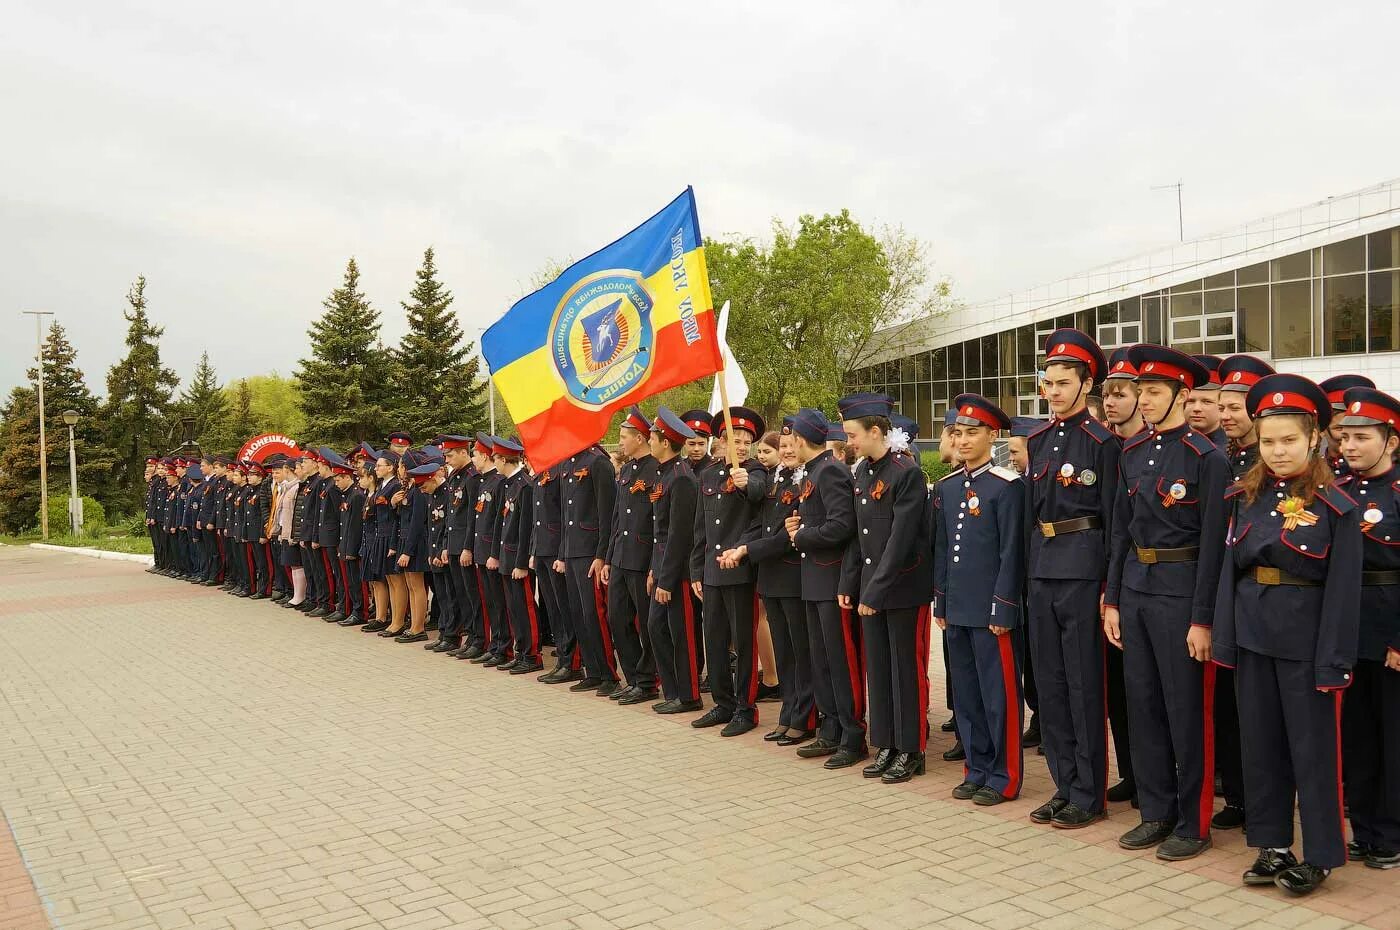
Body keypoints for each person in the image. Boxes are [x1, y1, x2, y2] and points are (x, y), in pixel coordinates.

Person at [1213, 374, 1360, 894]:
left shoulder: (1336, 506)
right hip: (1253, 636)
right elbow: (1230, 572)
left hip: (1307, 644)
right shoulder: (1243, 497)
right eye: (1269, 440)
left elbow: (1343, 593)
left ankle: (1320, 854)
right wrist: (1226, 638)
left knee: (1313, 751)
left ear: (1315, 437)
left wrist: (1334, 660)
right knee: (1260, 745)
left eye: (1289, 441)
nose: (1277, 451)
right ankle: (1272, 845)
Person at [1104, 345, 1229, 861]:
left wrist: (1203, 619)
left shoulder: (1208, 458)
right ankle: (1154, 811)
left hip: (1182, 592)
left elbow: (1215, 547)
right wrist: (1112, 600)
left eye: (1154, 391)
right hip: (1136, 588)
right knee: (1144, 704)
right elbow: (1120, 534)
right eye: (1142, 391)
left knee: (1186, 710)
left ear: (1181, 393)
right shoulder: (1131, 453)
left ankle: (1192, 821)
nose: (1145, 400)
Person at [1024, 330, 1118, 828]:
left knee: (1084, 686)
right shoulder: (1038, 441)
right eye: (1048, 383)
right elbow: (1030, 515)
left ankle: (1089, 792)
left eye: (1063, 383)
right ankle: (1064, 785)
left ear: (1087, 385)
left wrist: (1106, 588)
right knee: (1051, 684)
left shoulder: (1102, 443)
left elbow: (1112, 521)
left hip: (1083, 569)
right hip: (1042, 568)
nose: (1054, 392)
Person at [934, 394, 1025, 804]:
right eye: (958, 433)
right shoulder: (949, 487)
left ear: (993, 435)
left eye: (973, 433)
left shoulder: (1006, 487)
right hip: (958, 608)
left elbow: (1011, 552)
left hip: (991, 609)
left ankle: (1003, 776)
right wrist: (941, 602)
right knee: (966, 694)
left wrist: (1003, 605)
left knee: (998, 695)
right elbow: (942, 550)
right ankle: (977, 766)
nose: (964, 440)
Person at [839, 393, 934, 784]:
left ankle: (911, 750)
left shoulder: (905, 472)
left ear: (875, 431)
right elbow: (858, 537)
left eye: (853, 435)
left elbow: (900, 540)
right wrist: (850, 583)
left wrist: (874, 591)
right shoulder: (862, 471)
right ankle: (886, 744)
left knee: (904, 671)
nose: (849, 442)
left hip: (901, 588)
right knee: (878, 670)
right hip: (870, 589)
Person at [1335, 385, 1400, 871]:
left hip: (1388, 630)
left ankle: (1391, 833)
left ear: (1391, 441)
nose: (1350, 447)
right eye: (1345, 437)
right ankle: (1363, 827)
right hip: (1345, 629)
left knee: (1392, 736)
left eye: (1362, 437)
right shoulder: (1335, 492)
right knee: (1354, 736)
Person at [1211, 353, 1275, 832]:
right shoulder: (1221, 456)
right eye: (1224, 406)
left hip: (1265, 602)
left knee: (1260, 713)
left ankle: (1264, 799)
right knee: (1227, 705)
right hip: (1221, 593)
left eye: (1237, 407)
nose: (1228, 414)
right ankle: (1237, 794)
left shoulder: (1274, 463)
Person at [786, 408, 866, 768]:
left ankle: (852, 735)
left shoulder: (830, 470)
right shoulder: (814, 471)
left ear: (801, 440)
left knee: (839, 661)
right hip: (813, 580)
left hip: (831, 580)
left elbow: (842, 525)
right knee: (821, 661)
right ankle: (830, 728)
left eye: (791, 439)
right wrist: (800, 525)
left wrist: (803, 534)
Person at [725, 426, 812, 744]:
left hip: (792, 577)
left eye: (791, 445)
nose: (787, 451)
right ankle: (789, 713)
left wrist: (750, 550)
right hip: (771, 578)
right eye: (784, 446)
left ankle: (803, 718)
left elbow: (787, 538)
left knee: (800, 653)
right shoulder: (777, 479)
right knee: (785, 653)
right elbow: (760, 524)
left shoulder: (804, 481)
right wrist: (740, 547)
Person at [690, 406, 768, 736]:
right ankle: (722, 703)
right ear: (721, 442)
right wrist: (696, 570)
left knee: (744, 642)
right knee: (715, 638)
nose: (742, 446)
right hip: (711, 570)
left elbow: (759, 497)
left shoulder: (756, 472)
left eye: (747, 441)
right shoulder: (707, 475)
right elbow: (701, 528)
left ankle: (745, 708)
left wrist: (745, 483)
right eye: (736, 440)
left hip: (741, 570)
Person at [645, 407, 702, 714]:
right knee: (656, 626)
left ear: (665, 442)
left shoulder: (681, 478)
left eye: (653, 437)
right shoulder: (664, 473)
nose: (649, 441)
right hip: (664, 568)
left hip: (677, 573)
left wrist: (666, 578)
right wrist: (655, 571)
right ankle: (673, 691)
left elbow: (680, 535)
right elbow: (660, 532)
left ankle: (689, 694)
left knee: (682, 633)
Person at [605, 407, 661, 703]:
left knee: (646, 621)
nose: (620, 442)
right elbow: (617, 517)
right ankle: (633, 676)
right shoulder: (626, 471)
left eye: (624, 436)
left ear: (640, 438)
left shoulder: (655, 469)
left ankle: (648, 679)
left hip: (643, 558)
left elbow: (657, 520)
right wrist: (608, 556)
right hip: (621, 559)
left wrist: (655, 564)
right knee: (618, 618)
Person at [559, 438, 619, 693]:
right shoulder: (567, 464)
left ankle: (609, 674)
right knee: (578, 613)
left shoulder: (598, 462)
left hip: (591, 551)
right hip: (573, 550)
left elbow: (608, 514)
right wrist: (563, 552)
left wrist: (602, 554)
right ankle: (592, 670)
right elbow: (565, 514)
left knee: (595, 614)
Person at [494, 437, 543, 674]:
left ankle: (532, 654)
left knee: (524, 607)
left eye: (496, 459)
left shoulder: (524, 485)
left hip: (517, 559)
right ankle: (520, 650)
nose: (495, 463)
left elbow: (525, 527)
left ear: (504, 460)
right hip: (507, 556)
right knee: (514, 608)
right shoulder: (509, 485)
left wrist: (522, 562)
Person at [468, 434, 511, 664]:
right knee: (490, 602)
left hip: (492, 552)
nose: (473, 460)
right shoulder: (485, 481)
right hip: (483, 551)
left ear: (485, 456)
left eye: (474, 455)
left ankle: (503, 646)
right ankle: (496, 645)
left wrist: (494, 552)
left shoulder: (500, 482)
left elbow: (497, 522)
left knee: (499, 602)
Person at [389, 452, 434, 643]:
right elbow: (402, 520)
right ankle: (414, 625)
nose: (398, 469)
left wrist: (408, 551)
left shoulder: (417, 490)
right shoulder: (407, 489)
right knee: (409, 584)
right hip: (405, 540)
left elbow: (417, 522)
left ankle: (418, 627)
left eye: (400, 466)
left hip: (416, 543)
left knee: (417, 585)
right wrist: (394, 504)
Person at [1218, 355, 1275, 481]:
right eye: (1221, 408)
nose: (1224, 416)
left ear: (1256, 410)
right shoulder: (1217, 456)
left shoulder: (1276, 461)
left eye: (1235, 408)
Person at [362, 451, 400, 633]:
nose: (376, 469)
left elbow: (395, 517)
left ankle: (397, 620)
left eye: (379, 466)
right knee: (384, 580)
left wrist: (392, 504)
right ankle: (384, 617)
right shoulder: (382, 486)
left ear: (390, 467)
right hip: (380, 535)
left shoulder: (395, 485)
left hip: (389, 535)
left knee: (395, 581)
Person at [332, 453, 367, 627]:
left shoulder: (357, 496)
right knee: (350, 581)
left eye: (338, 480)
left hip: (353, 548)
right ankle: (354, 609)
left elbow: (355, 527)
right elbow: (344, 525)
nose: (336, 484)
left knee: (356, 581)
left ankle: (359, 612)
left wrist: (351, 550)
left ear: (346, 477)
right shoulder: (348, 494)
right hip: (345, 545)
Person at [1320, 375, 1376, 478]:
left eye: (1360, 434)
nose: (1349, 441)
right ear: (1322, 429)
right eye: (1339, 428)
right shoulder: (1312, 472)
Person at [1187, 355, 1227, 449]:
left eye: (1207, 402)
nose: (1197, 408)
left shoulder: (1231, 448)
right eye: (1191, 401)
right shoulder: (1171, 444)